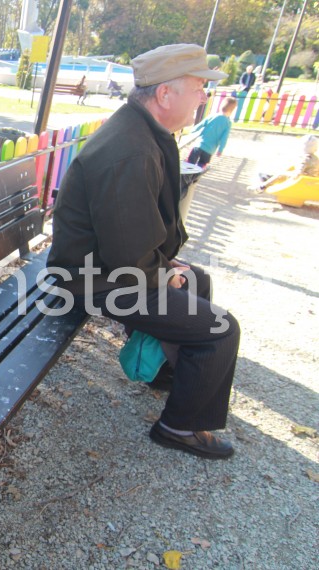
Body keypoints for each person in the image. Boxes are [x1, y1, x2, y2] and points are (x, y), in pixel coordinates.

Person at [47, 44, 240, 460]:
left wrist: (167, 264)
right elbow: (128, 259)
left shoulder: (142, 131)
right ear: (165, 95)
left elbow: (131, 234)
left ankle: (169, 374)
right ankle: (178, 427)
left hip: (102, 267)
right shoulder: (130, 151)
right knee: (221, 329)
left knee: (197, 279)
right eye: (199, 87)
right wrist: (163, 273)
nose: (205, 96)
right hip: (89, 282)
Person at [250, 134, 319, 192]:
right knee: (289, 168)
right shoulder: (316, 158)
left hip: (302, 183)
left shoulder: (304, 159)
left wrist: (288, 175)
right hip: (312, 182)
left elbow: (297, 174)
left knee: (282, 174)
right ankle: (272, 177)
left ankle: (262, 187)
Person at [186, 96, 237, 168]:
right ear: (232, 110)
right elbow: (224, 138)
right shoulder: (227, 123)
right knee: (201, 164)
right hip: (209, 150)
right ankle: (195, 176)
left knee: (190, 162)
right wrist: (220, 149)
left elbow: (201, 124)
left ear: (221, 106)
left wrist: (192, 131)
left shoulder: (212, 116)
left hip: (199, 144)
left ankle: (186, 175)